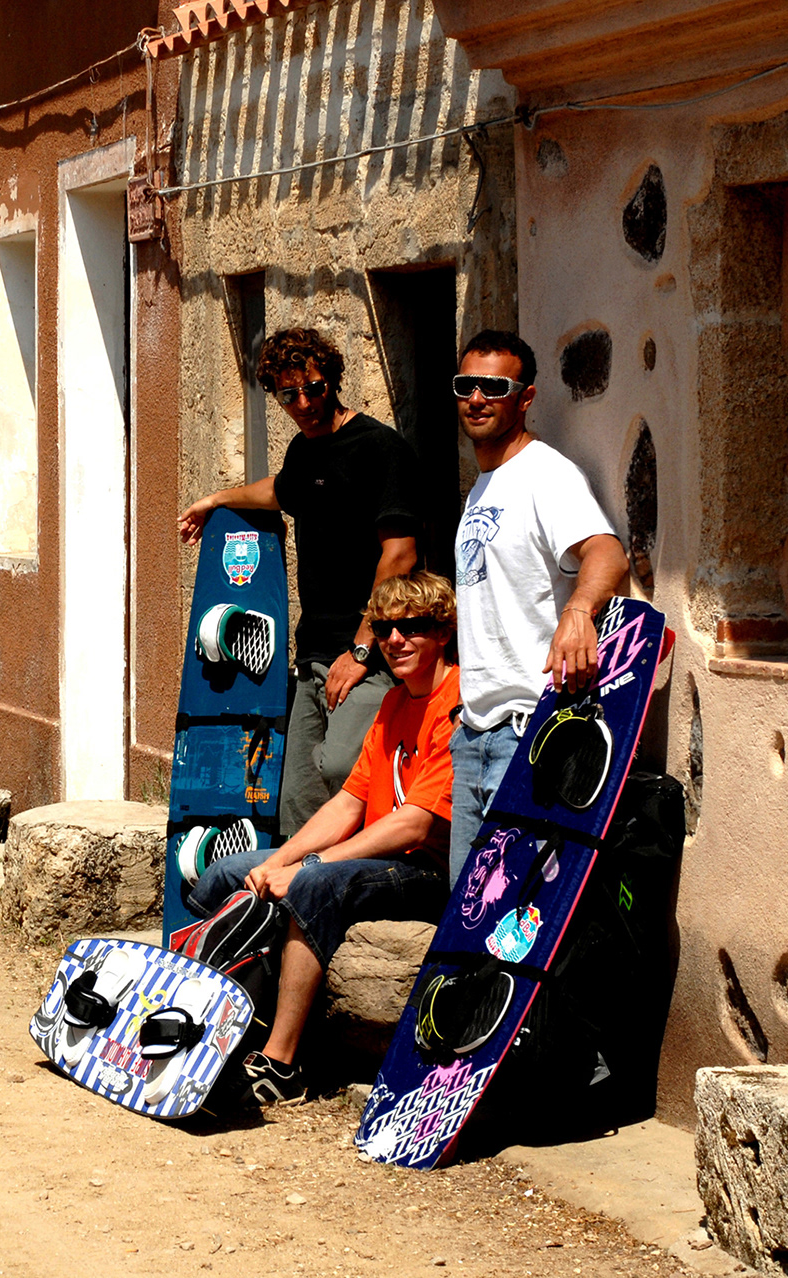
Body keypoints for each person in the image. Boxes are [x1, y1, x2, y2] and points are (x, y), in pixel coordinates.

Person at [186, 572, 462, 1105]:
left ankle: (283, 1063)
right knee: (229, 870)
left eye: (412, 628)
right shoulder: (394, 704)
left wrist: (308, 866)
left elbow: (418, 823)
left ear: (444, 631)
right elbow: (348, 803)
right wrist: (285, 858)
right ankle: (202, 1019)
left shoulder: (458, 704)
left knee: (312, 886)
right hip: (376, 858)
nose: (395, 641)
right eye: (384, 630)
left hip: (426, 872)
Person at [177, 328, 422, 837]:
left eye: (314, 388)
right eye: (289, 395)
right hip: (312, 657)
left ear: (331, 381)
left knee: (342, 771)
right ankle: (305, 910)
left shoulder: (380, 448)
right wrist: (218, 498)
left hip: (374, 655)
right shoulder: (303, 451)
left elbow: (400, 554)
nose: (305, 403)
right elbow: (283, 490)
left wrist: (359, 651)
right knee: (296, 803)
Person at [448, 330, 628, 880]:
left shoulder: (545, 475)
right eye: (466, 385)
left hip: (528, 732)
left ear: (524, 398)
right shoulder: (485, 484)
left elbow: (606, 553)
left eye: (494, 387)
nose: (477, 398)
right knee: (467, 914)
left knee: (515, 920)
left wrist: (578, 613)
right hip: (475, 733)